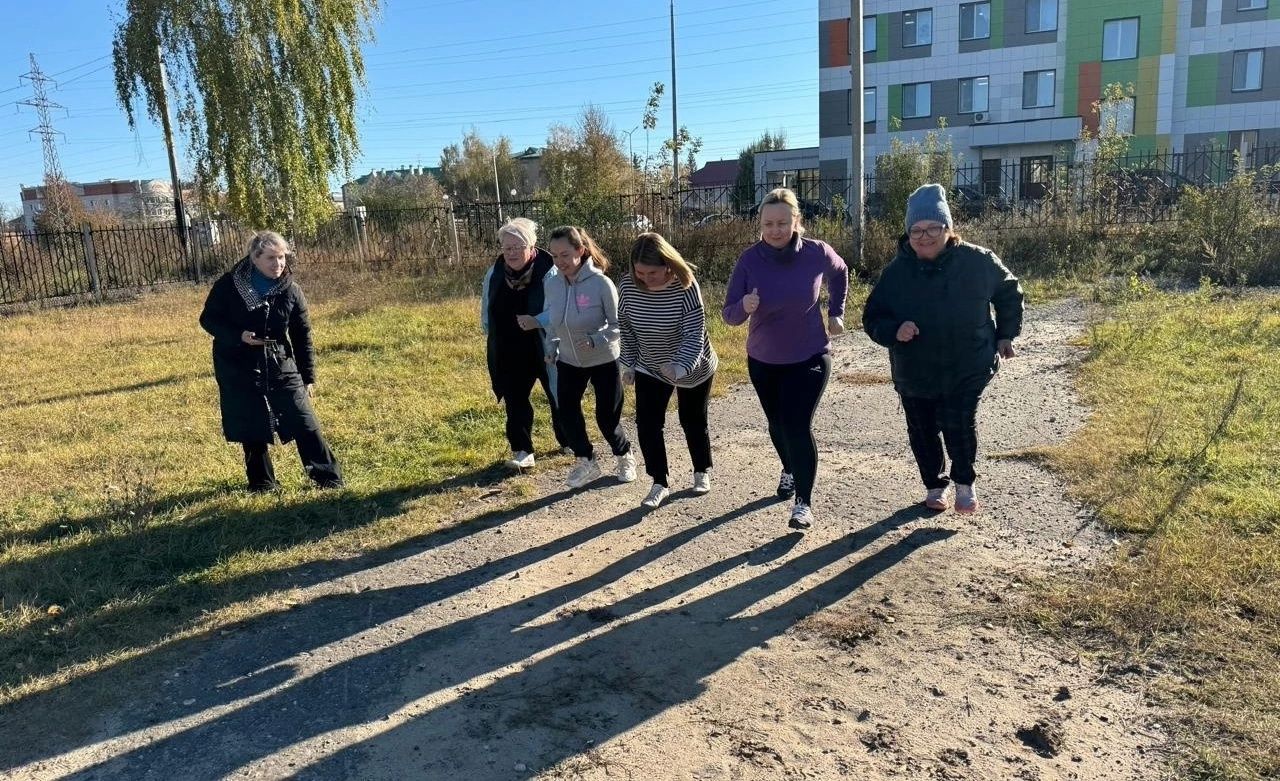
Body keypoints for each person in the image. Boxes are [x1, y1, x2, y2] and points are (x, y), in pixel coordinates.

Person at [861, 183, 1024, 514]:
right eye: (916, 230)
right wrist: (894, 330)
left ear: (948, 228)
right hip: (915, 369)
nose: (924, 237)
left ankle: (965, 483)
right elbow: (873, 317)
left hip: (968, 364)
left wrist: (1006, 334)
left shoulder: (978, 262)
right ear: (908, 234)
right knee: (922, 429)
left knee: (959, 423)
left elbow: (1009, 292)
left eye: (933, 228)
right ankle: (935, 485)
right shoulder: (896, 272)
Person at [723, 188, 849, 530]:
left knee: (796, 425)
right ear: (760, 225)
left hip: (809, 354)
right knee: (777, 425)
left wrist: (836, 312)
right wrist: (744, 307)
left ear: (797, 222)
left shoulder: (816, 252)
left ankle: (804, 503)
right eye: (768, 223)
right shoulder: (749, 260)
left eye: (782, 222)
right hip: (763, 359)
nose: (775, 230)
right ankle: (790, 468)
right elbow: (729, 315)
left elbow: (840, 273)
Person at [199, 231, 344, 492]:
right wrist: (239, 336)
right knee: (251, 424)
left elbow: (302, 336)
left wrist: (307, 377)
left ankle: (328, 479)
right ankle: (262, 484)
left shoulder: (291, 290)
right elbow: (208, 319)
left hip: (279, 361)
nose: (278, 264)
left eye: (282, 258)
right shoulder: (229, 285)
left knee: (304, 420)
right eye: (271, 258)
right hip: (238, 364)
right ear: (254, 258)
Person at [619, 232, 718, 509]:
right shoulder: (628, 286)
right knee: (648, 424)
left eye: (652, 272)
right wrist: (628, 362)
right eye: (639, 272)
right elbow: (625, 326)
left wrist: (680, 365)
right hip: (650, 364)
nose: (645, 279)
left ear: (668, 265)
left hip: (693, 365)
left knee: (692, 419)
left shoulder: (686, 287)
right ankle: (659, 482)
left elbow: (694, 333)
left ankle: (701, 469)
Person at [541, 225, 636, 489]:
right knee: (567, 412)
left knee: (607, 417)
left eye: (565, 255)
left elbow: (619, 326)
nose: (559, 262)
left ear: (581, 251)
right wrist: (551, 347)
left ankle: (624, 454)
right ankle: (586, 460)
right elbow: (552, 322)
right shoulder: (552, 284)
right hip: (569, 360)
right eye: (554, 256)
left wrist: (596, 339)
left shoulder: (601, 284)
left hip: (603, 359)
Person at [481, 217, 571, 469]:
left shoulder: (549, 271)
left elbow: (560, 308)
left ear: (531, 247)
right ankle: (523, 450)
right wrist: (490, 330)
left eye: (518, 247)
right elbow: (487, 305)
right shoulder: (496, 272)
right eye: (506, 247)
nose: (511, 253)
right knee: (515, 397)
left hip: (545, 343)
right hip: (510, 345)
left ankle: (568, 439)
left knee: (558, 394)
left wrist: (537, 321)